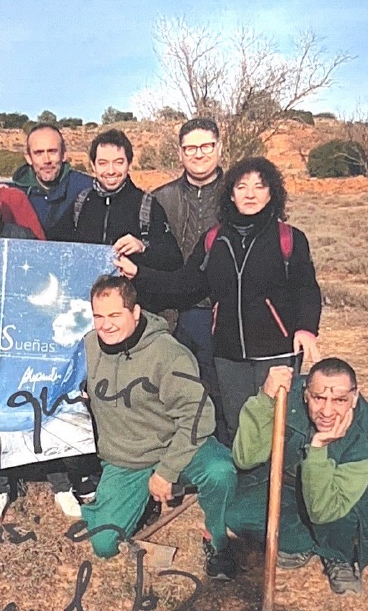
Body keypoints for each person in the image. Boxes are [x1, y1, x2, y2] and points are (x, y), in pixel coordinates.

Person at [118, 156, 322, 445]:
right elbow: (184, 284)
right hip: (227, 355)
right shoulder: (213, 239)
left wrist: (305, 328)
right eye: (242, 187)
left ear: (272, 193)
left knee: (278, 430)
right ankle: (244, 488)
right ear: (231, 193)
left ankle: (279, 489)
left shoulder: (289, 239)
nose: (250, 194)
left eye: (259, 187)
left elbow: (307, 288)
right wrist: (138, 272)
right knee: (239, 429)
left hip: (277, 351)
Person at [80, 275, 238, 580]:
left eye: (115, 315)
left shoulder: (168, 352)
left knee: (220, 471)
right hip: (127, 457)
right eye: (99, 316)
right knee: (103, 544)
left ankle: (218, 540)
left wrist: (167, 471)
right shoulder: (89, 346)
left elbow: (197, 413)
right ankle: (138, 501)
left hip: (174, 445)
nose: (106, 325)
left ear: (135, 313)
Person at [0, 169, 83, 523]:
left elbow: (45, 283)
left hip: (20, 338)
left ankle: (61, 484)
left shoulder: (18, 235)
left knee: (38, 404)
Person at [227, 359, 368, 596]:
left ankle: (337, 554)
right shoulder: (285, 395)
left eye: (339, 400)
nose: (327, 411)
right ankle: (301, 542)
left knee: (334, 522)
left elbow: (322, 510)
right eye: (318, 398)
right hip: (294, 484)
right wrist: (264, 399)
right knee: (237, 513)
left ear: (354, 398)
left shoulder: (367, 437)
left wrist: (317, 449)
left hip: (343, 499)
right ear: (305, 393)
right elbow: (246, 458)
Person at [153, 117, 224, 431]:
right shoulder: (160, 198)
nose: (199, 154)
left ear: (219, 148)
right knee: (172, 393)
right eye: (190, 148)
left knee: (220, 395)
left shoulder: (237, 194)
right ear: (180, 153)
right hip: (172, 313)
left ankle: (219, 468)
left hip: (220, 312)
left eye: (206, 146)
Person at [60, 129, 182, 308]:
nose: (111, 171)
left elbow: (173, 260)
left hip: (134, 313)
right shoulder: (80, 204)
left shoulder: (147, 205)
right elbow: (54, 247)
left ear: (129, 163)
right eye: (103, 163)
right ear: (93, 166)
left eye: (118, 162)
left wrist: (143, 247)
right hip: (86, 309)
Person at [11, 122, 93, 239]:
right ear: (28, 158)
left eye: (52, 151)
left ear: (64, 154)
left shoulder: (87, 188)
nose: (47, 160)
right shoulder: (13, 195)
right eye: (39, 153)